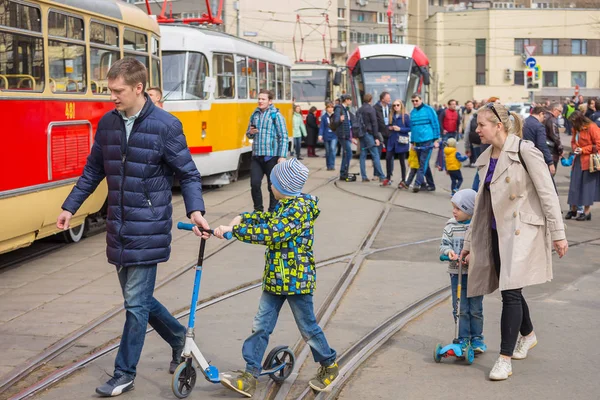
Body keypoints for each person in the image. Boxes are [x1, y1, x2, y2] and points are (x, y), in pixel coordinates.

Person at [56, 58, 210, 397]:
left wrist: (196, 209)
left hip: (149, 226)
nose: (112, 97)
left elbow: (188, 173)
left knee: (135, 305)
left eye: (118, 91)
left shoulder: (166, 125)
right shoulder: (109, 124)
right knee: (137, 299)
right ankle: (179, 339)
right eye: (110, 90)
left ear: (138, 88)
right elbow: (93, 171)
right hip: (119, 226)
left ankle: (124, 373)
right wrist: (70, 207)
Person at [460, 102, 568, 381]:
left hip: (522, 231)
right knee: (512, 290)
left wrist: (558, 234)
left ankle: (504, 358)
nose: (477, 130)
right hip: (495, 232)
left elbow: (547, 193)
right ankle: (528, 334)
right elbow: (481, 207)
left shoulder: (524, 151)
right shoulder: (486, 158)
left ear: (498, 126)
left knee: (509, 292)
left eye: (481, 125)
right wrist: (470, 243)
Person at [214, 159, 338, 397]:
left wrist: (235, 231)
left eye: (273, 182)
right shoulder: (284, 205)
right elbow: (268, 220)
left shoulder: (298, 210)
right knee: (261, 326)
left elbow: (273, 232)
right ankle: (250, 374)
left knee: (308, 328)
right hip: (275, 279)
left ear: (284, 186)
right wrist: (243, 218)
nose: (270, 185)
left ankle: (329, 365)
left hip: (296, 281)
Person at [439, 189, 486, 354]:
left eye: (458, 208)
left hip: (475, 274)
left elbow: (483, 246)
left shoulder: (478, 227)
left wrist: (473, 255)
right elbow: (444, 244)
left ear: (470, 210)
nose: (454, 211)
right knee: (460, 307)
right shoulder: (451, 225)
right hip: (456, 273)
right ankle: (463, 337)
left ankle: (477, 338)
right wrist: (448, 253)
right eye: (453, 207)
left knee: (475, 308)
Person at [247, 89, 288, 212]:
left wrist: (282, 156)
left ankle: (272, 211)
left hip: (272, 157)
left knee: (272, 187)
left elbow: (283, 136)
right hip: (257, 156)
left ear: (270, 101)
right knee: (254, 184)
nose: (260, 101)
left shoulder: (276, 116)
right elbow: (248, 134)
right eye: (259, 99)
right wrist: (250, 133)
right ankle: (258, 210)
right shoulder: (255, 115)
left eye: (263, 99)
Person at [566, 111, 600, 221]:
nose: (572, 125)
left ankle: (586, 212)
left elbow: (598, 144)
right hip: (578, 159)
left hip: (589, 160)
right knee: (574, 185)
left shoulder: (592, 127)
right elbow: (573, 142)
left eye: (573, 122)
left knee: (587, 187)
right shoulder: (576, 129)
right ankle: (573, 209)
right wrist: (575, 147)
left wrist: (584, 150)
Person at [409, 94, 440, 192]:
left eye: (416, 100)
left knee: (422, 163)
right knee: (423, 163)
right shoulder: (412, 112)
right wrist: (412, 142)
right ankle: (430, 184)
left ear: (421, 100)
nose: (414, 103)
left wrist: (436, 139)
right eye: (413, 101)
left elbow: (435, 124)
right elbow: (412, 128)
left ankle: (417, 183)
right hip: (417, 142)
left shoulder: (429, 110)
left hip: (428, 140)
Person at [382, 99, 411, 188]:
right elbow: (387, 126)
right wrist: (390, 128)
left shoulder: (405, 116)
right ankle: (388, 177)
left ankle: (403, 179)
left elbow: (410, 128)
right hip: (392, 140)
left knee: (402, 161)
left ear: (401, 105)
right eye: (394, 105)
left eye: (397, 105)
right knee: (388, 158)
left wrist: (400, 129)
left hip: (401, 141)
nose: (396, 107)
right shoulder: (392, 115)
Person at [357, 93, 385, 182]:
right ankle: (382, 176)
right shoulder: (371, 109)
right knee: (375, 154)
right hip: (369, 134)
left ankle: (364, 176)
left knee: (363, 155)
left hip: (361, 135)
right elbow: (374, 124)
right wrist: (376, 137)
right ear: (370, 100)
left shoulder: (359, 110)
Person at [523, 106, 555, 176]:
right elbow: (542, 145)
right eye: (544, 117)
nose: (543, 120)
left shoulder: (523, 122)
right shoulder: (539, 126)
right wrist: (550, 162)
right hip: (534, 157)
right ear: (541, 114)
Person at [332, 94, 357, 182]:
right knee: (349, 153)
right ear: (346, 100)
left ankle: (344, 172)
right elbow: (335, 121)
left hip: (346, 134)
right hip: (342, 134)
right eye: (350, 100)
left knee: (347, 154)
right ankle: (343, 173)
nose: (350, 101)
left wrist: (352, 136)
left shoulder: (346, 109)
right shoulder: (339, 108)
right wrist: (340, 119)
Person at [373, 91, 392, 173]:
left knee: (390, 154)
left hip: (389, 133)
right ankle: (376, 173)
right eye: (388, 98)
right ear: (382, 99)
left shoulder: (391, 107)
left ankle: (389, 173)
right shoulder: (375, 108)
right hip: (379, 133)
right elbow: (374, 122)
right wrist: (375, 135)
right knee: (377, 154)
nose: (389, 100)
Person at [543, 103, 564, 170]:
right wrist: (560, 150)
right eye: (559, 111)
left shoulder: (543, 116)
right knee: (550, 174)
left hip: (542, 148)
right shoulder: (552, 119)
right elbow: (555, 136)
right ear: (554, 109)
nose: (560, 114)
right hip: (551, 150)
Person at [319, 102, 337, 171]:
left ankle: (332, 165)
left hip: (334, 135)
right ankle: (328, 165)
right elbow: (322, 127)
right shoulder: (324, 117)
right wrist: (320, 135)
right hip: (326, 135)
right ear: (326, 109)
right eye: (329, 107)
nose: (330, 109)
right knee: (328, 151)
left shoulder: (335, 116)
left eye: (332, 107)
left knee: (332, 149)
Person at [460, 101, 476, 166]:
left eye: (470, 105)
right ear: (466, 106)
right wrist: (460, 128)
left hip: (473, 132)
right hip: (466, 132)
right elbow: (462, 121)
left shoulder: (475, 113)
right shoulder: (464, 113)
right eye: (468, 105)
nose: (469, 106)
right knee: (468, 147)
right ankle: (470, 161)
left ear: (473, 105)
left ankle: (474, 162)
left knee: (473, 147)